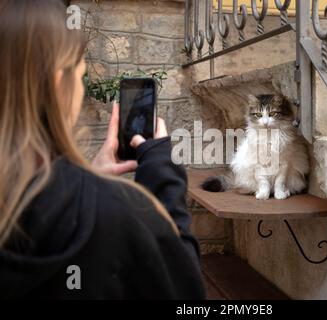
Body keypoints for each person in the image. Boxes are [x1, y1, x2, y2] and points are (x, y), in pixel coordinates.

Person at [0, 0, 205, 299]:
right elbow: (185, 292)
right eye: (80, 75)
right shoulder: (115, 211)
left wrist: (85, 178)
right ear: (59, 83)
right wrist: (164, 174)